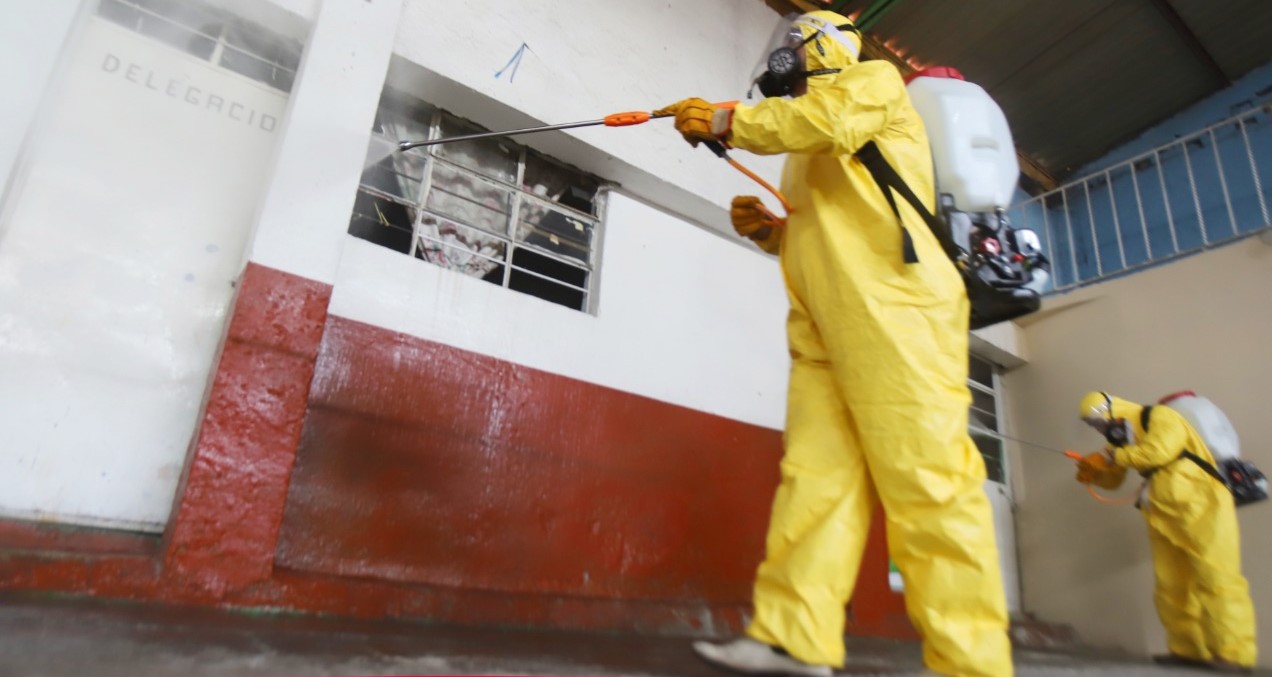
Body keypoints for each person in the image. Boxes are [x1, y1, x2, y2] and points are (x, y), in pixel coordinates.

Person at [655, 10, 1011, 677]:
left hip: (900, 312)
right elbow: (845, 230)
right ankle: (794, 638)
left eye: (789, 43)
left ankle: (973, 664)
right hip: (828, 324)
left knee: (929, 484)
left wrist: (729, 119)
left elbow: (822, 122)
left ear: (816, 46)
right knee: (814, 483)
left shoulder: (871, 82)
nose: (778, 58)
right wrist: (775, 233)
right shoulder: (804, 149)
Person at [1076, 391, 1257, 673]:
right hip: (1161, 510)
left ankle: (1234, 654)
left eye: (1098, 421)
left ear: (1111, 408)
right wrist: (1094, 471)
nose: (1099, 428)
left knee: (1217, 577)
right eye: (1092, 425)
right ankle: (1187, 649)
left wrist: (1114, 456)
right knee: (1171, 585)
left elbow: (1160, 451)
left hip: (1202, 503)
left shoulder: (1159, 416)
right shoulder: (1122, 438)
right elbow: (1115, 480)